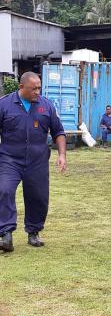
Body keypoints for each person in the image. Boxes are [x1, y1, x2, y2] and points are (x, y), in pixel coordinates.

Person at [0, 71, 67, 252]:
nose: (37, 91)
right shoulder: (4, 105)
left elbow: (58, 132)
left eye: (39, 87)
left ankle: (34, 232)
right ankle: (6, 234)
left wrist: (62, 155)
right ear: (21, 87)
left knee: (38, 197)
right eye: (33, 88)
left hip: (37, 161)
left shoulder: (46, 106)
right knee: (4, 190)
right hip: (9, 159)